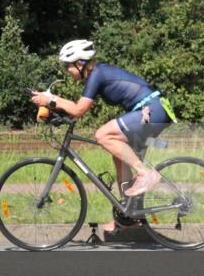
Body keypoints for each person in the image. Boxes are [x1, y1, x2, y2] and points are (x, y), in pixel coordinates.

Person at [30, 39, 176, 233]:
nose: (66, 71)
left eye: (68, 66)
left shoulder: (97, 74)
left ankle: (146, 173)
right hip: (151, 111)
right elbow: (76, 108)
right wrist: (52, 105)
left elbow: (78, 109)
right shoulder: (97, 76)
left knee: (103, 135)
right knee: (120, 156)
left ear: (80, 63)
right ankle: (130, 216)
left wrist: (51, 99)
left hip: (151, 110)